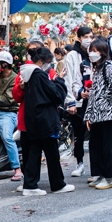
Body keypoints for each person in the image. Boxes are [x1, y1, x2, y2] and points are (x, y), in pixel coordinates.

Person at [19, 47, 73, 196]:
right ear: (42, 61)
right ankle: (57, 184)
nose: (50, 66)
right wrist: (59, 80)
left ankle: (30, 185)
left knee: (34, 153)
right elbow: (56, 95)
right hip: (44, 119)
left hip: (33, 118)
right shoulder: (39, 75)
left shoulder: (27, 74)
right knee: (51, 153)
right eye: (49, 62)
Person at [85, 38, 112, 189]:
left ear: (102, 52)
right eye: (91, 51)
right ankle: (99, 174)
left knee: (107, 146)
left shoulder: (109, 67)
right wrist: (89, 115)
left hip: (107, 114)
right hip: (96, 115)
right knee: (96, 145)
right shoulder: (97, 69)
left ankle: (109, 177)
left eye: (95, 51)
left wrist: (110, 98)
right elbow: (94, 94)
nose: (92, 54)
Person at [12, 40, 50, 193]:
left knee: (47, 150)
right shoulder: (23, 71)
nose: (33, 52)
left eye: (36, 50)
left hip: (42, 117)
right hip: (26, 117)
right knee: (28, 151)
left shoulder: (47, 70)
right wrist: (21, 88)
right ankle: (29, 181)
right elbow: (16, 96)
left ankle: (40, 181)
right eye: (30, 50)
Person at [0, 51, 22, 182]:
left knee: (7, 137)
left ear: (4, 65)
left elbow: (8, 99)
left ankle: (17, 168)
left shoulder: (15, 78)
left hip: (7, 113)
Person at [63, 26, 93, 177]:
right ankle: (80, 163)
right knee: (79, 134)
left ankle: (96, 165)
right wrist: (71, 102)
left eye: (90, 36)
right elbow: (68, 80)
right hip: (78, 100)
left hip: (93, 100)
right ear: (79, 38)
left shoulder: (94, 52)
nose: (89, 39)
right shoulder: (72, 56)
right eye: (86, 36)